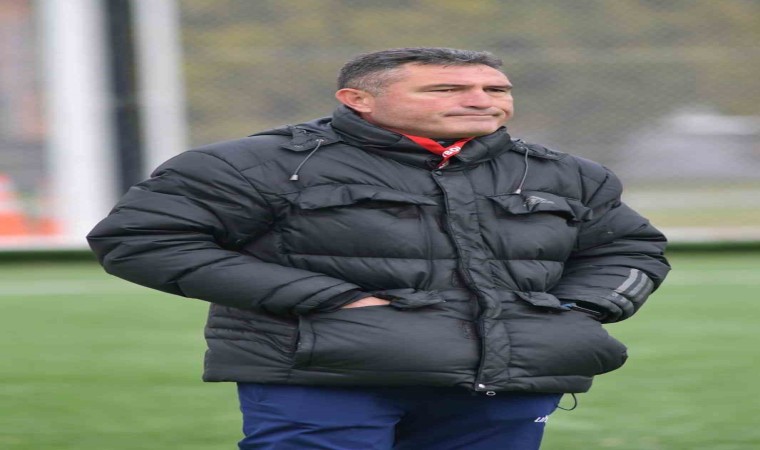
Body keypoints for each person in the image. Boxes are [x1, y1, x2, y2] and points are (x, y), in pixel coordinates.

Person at [87, 47, 670, 449]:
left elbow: (632, 250)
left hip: (506, 383)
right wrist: (329, 300)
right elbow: (139, 240)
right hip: (325, 379)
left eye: (496, 88)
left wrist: (577, 311)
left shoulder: (565, 173)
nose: (481, 99)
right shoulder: (256, 164)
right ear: (357, 99)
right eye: (447, 89)